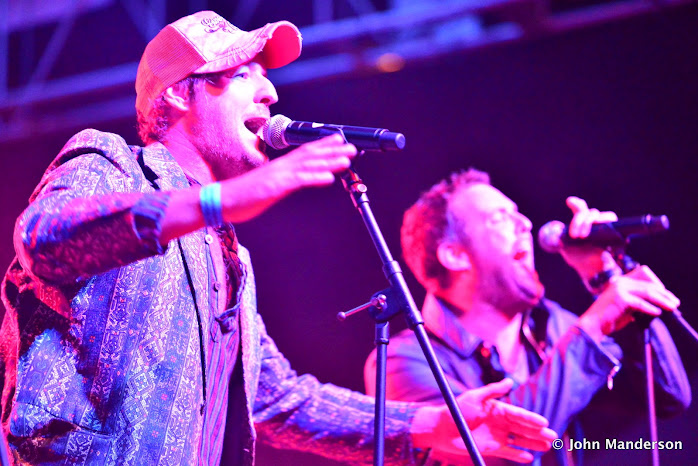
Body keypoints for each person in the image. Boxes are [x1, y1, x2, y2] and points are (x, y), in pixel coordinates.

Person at [0, 11, 558, 466]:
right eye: (244, 74)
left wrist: (431, 423)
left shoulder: (231, 256)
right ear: (178, 95)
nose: (270, 92)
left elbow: (277, 398)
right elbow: (45, 237)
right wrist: (221, 200)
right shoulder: (114, 164)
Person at [364, 168, 691, 465]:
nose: (526, 223)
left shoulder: (552, 327)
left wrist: (605, 275)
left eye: (517, 213)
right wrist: (591, 328)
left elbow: (668, 397)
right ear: (454, 255)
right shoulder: (400, 362)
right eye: (500, 218)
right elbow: (498, 455)